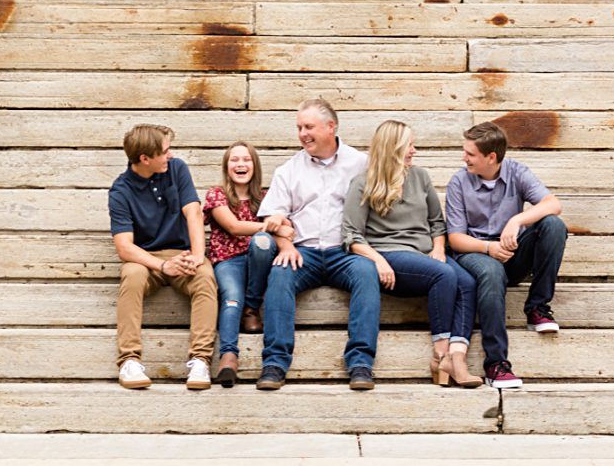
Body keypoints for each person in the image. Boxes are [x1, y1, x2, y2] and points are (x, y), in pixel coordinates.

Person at [253, 98, 380, 391]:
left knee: (366, 273)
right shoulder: (289, 169)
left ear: (331, 126)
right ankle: (274, 363)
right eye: (299, 128)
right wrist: (284, 241)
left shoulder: (360, 164)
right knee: (280, 274)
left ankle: (360, 363)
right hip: (304, 252)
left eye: (308, 127)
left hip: (344, 252)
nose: (302, 134)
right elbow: (274, 216)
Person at [343, 119, 477, 387]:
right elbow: (351, 235)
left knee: (467, 283)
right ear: (392, 148)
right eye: (409, 146)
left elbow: (437, 222)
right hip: (390, 255)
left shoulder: (420, 176)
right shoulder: (362, 184)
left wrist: (438, 248)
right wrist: (378, 260)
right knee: (443, 274)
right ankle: (440, 355)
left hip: (426, 252)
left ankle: (457, 357)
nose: (414, 151)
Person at [446, 120, 568, 391]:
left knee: (553, 225)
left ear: (491, 157)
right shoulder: (459, 182)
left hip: (511, 251)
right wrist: (489, 248)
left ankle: (537, 308)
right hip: (475, 253)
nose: (464, 158)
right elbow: (455, 238)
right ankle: (496, 364)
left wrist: (516, 220)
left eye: (470, 154)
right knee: (491, 271)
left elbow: (553, 204)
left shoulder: (516, 171)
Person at [107, 124, 218, 390]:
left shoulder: (177, 168)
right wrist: (162, 265)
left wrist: (198, 254)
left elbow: (193, 212)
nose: (170, 155)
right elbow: (124, 247)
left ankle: (200, 360)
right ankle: (129, 361)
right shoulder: (120, 191)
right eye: (165, 151)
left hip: (182, 253)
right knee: (131, 275)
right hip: (145, 258)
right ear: (145, 158)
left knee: (204, 275)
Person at [202, 141, 276, 387]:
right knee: (232, 296)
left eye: (246, 159)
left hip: (258, 262)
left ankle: (252, 308)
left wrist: (276, 229)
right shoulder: (217, 194)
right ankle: (228, 356)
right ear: (226, 166)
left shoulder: (266, 198)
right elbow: (233, 226)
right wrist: (270, 226)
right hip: (228, 260)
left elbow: (282, 230)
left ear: (255, 166)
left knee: (263, 243)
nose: (241, 164)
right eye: (234, 160)